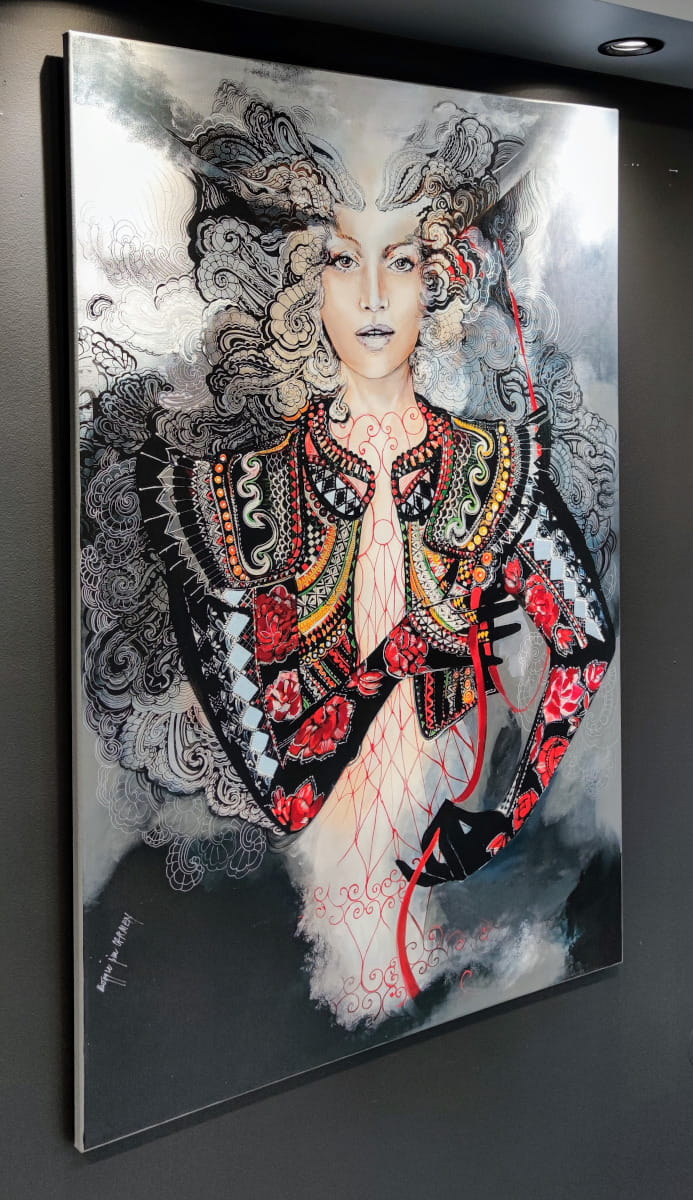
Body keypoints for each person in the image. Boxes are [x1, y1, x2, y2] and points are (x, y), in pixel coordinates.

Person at [132, 88, 614, 1024]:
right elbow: (284, 787)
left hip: (457, 891)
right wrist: (400, 652)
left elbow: (584, 643)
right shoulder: (234, 501)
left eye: (399, 261)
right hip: (289, 926)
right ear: (302, 284)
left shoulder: (490, 467)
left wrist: (501, 818)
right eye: (343, 260)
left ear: (435, 281)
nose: (373, 297)